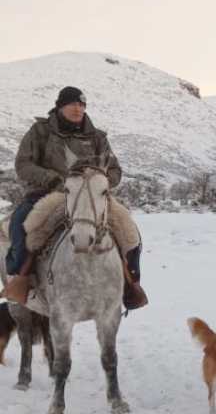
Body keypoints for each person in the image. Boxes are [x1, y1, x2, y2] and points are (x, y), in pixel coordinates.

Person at [1, 86, 148, 309]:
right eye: (73, 104)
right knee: (21, 226)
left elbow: (115, 169)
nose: (78, 109)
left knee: (130, 232)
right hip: (48, 193)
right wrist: (50, 178)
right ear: (60, 106)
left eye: (82, 105)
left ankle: (130, 285)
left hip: (91, 197)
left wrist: (100, 181)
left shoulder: (97, 137)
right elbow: (23, 165)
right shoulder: (40, 131)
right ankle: (19, 279)